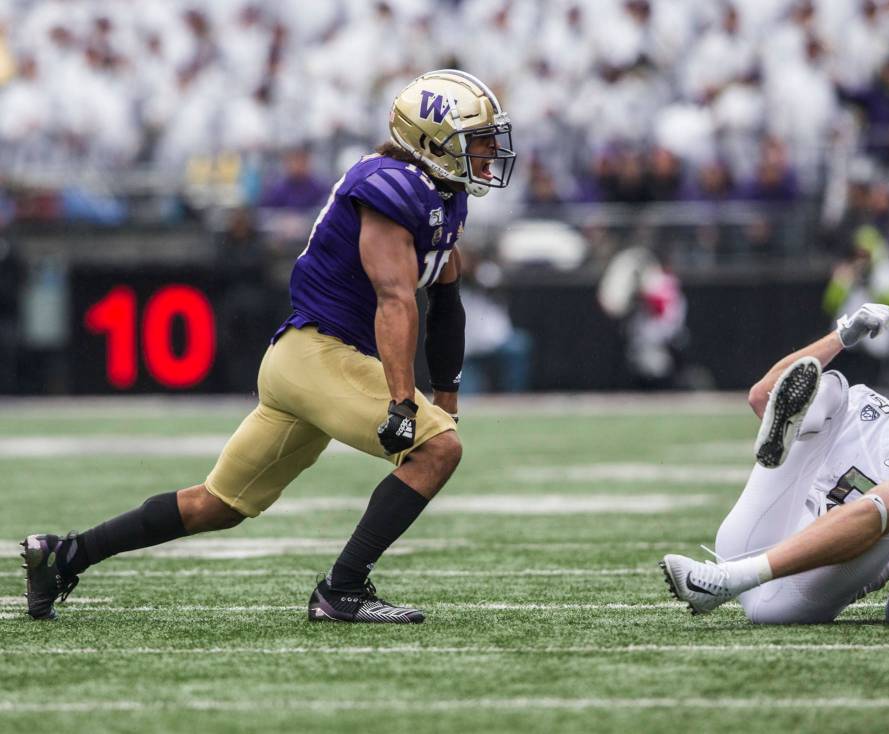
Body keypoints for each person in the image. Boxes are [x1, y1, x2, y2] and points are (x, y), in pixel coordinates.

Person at [20, 69, 517, 624]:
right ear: (431, 140)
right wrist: (404, 402)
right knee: (437, 451)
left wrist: (446, 394)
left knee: (217, 504)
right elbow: (395, 298)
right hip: (320, 354)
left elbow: (446, 304)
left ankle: (65, 556)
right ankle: (343, 589)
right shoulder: (390, 187)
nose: (488, 151)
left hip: (304, 362)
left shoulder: (442, 197)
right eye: (476, 139)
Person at [660, 302, 889, 624]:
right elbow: (760, 396)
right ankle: (784, 437)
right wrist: (843, 335)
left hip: (796, 596)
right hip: (752, 539)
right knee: (832, 386)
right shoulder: (865, 407)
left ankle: (729, 580)